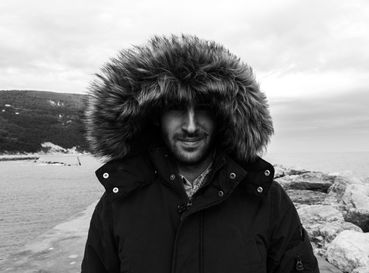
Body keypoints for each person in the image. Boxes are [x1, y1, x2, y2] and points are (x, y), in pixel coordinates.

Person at [82, 34, 319, 273]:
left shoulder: (266, 200)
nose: (191, 126)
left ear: (222, 115)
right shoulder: (118, 205)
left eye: (203, 109)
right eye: (176, 109)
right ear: (155, 116)